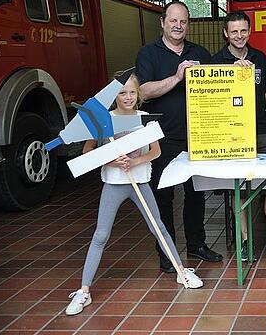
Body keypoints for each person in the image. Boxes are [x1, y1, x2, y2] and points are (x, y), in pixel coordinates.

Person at [65, 74, 203, 316]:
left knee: (158, 227)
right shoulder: (102, 121)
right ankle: (84, 290)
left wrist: (134, 160)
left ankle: (182, 273)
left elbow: (156, 152)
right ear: (113, 96)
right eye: (121, 93)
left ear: (138, 94)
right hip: (113, 184)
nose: (127, 97)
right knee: (100, 234)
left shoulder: (145, 120)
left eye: (131, 92)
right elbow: (88, 151)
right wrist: (111, 160)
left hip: (140, 182)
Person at [136, 1, 222, 273]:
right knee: (164, 196)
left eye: (183, 21)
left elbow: (218, 85)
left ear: (188, 24)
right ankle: (166, 251)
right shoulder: (149, 53)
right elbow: (144, 92)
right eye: (173, 20)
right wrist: (177, 76)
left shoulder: (200, 52)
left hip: (197, 135)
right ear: (162, 22)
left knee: (196, 194)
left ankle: (197, 244)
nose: (178, 26)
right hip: (162, 138)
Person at [211, 11, 266, 261]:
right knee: (241, 189)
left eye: (243, 31)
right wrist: (235, 78)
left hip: (261, 129)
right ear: (226, 33)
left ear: (249, 31)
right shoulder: (217, 61)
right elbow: (212, 99)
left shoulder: (260, 57)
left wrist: (252, 103)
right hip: (232, 134)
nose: (239, 36)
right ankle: (245, 241)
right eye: (233, 31)